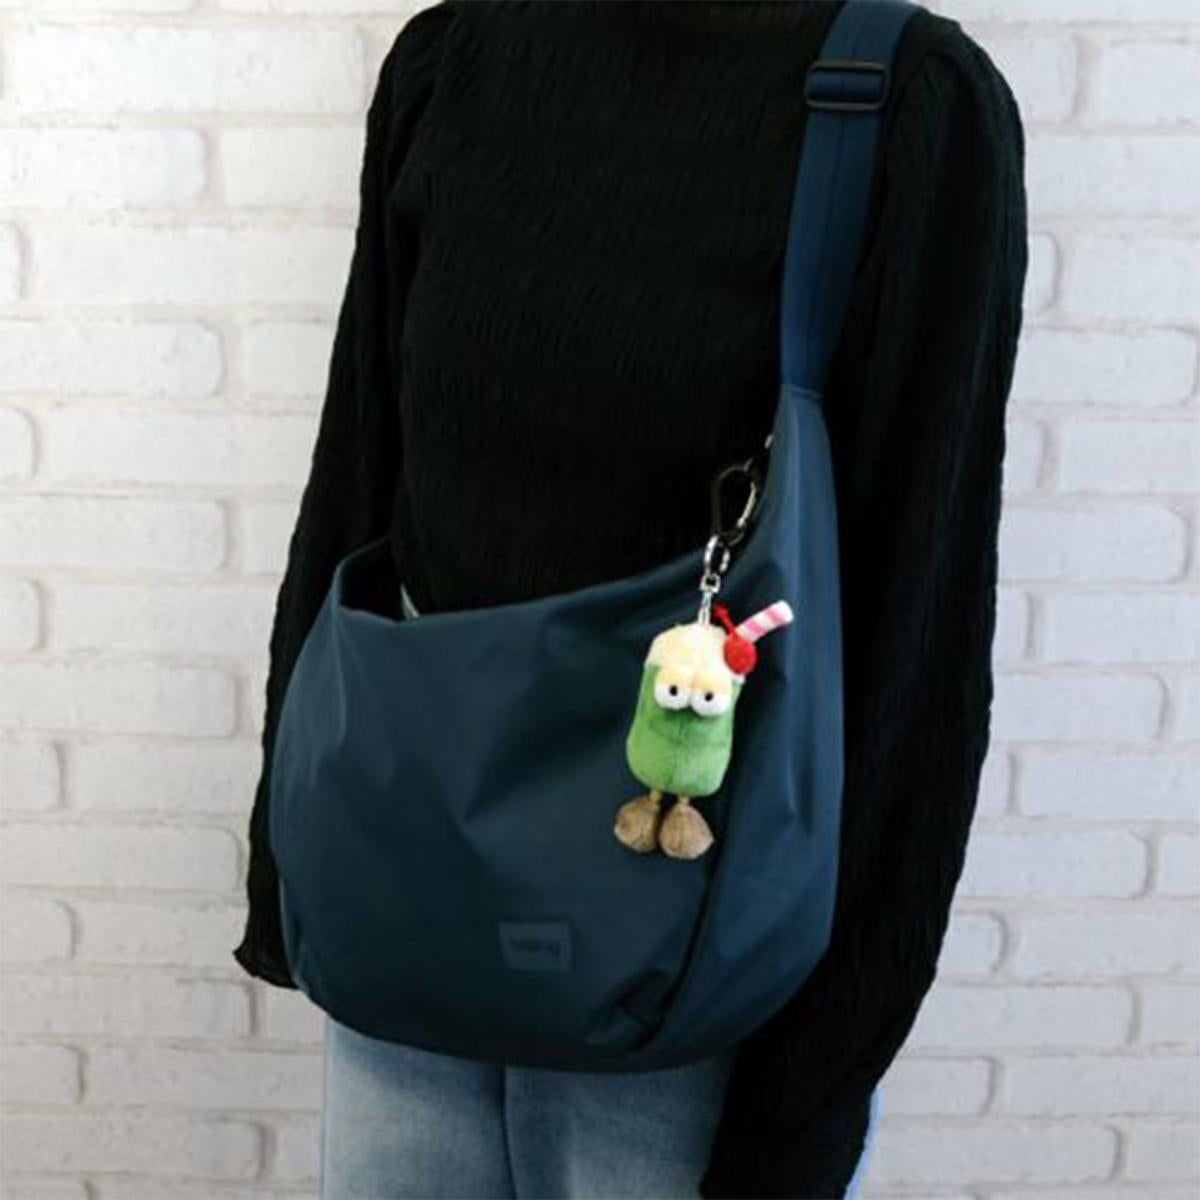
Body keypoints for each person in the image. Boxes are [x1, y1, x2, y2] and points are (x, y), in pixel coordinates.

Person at [232, 2, 1028, 1197]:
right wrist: (290, 874)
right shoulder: (454, 62)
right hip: (412, 901)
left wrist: (811, 1089)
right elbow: (360, 474)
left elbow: (918, 621)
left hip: (699, 973)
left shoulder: (907, 101)